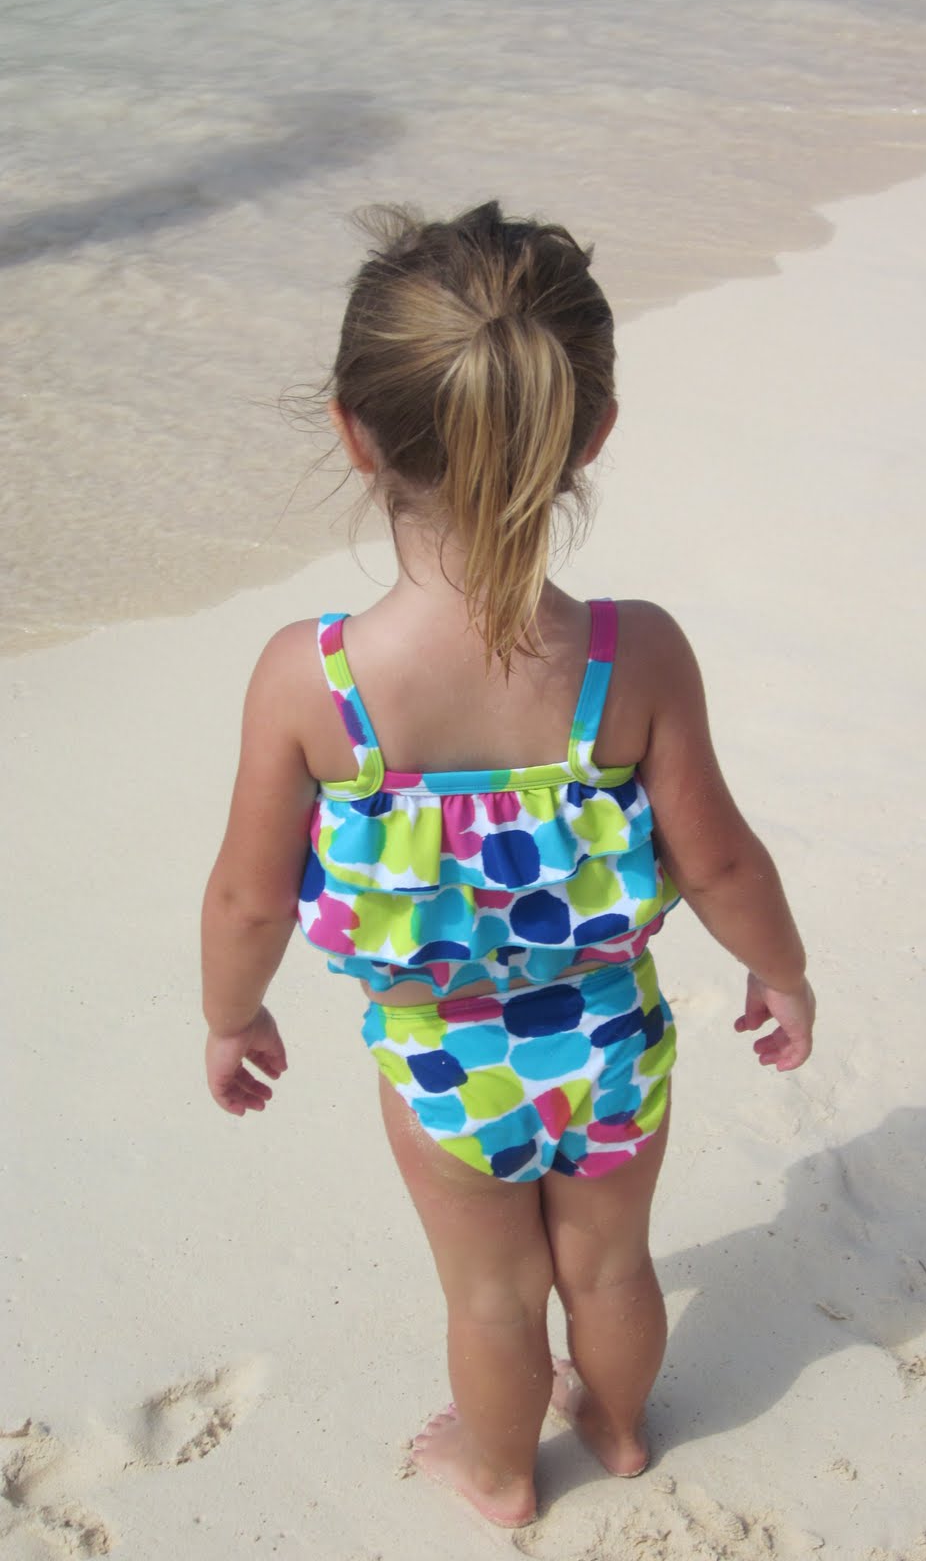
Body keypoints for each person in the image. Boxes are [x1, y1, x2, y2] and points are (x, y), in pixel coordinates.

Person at [201, 201, 815, 1529]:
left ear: (353, 433)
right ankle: (620, 1426)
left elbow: (249, 896)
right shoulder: (634, 655)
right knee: (611, 1270)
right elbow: (717, 857)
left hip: (443, 1057)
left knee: (490, 1296)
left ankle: (497, 1473)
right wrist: (783, 970)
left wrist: (231, 1015)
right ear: (590, 434)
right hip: (610, 1038)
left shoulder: (313, 681)